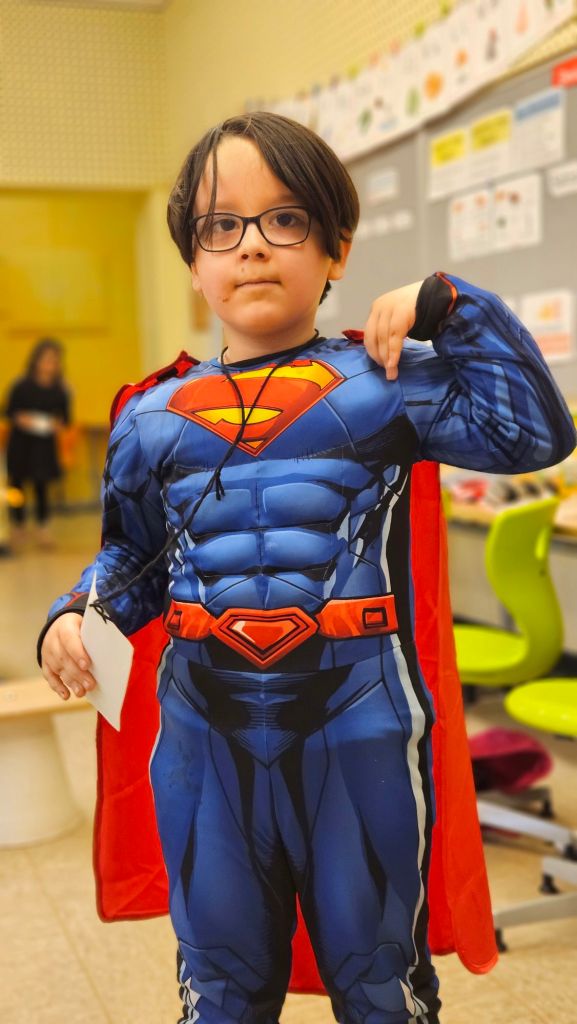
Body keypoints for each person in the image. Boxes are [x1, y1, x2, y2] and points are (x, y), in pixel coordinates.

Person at [38, 112, 576, 1024]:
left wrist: (452, 307)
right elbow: (133, 555)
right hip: (202, 726)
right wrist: (71, 611)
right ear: (193, 260)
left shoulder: (389, 382)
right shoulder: (149, 417)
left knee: (380, 987)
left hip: (355, 717)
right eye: (221, 226)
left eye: (284, 219)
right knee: (218, 990)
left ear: (336, 249)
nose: (252, 246)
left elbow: (532, 433)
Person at [4, 337, 71, 548]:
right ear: (36, 360)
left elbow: (66, 418)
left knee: (41, 485)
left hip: (44, 445)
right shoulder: (21, 385)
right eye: (46, 359)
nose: (50, 364)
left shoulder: (61, 389)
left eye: (54, 360)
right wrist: (20, 418)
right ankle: (18, 527)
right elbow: (8, 411)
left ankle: (43, 529)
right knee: (17, 486)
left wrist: (56, 424)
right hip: (21, 443)